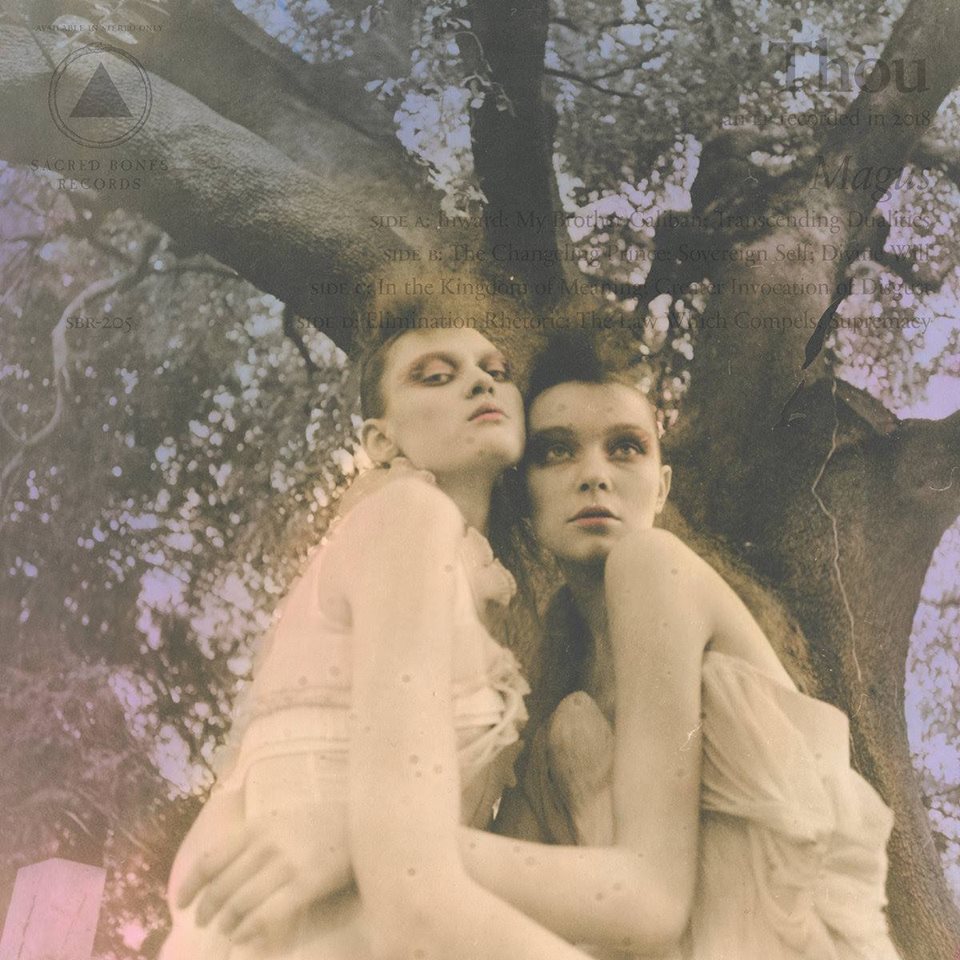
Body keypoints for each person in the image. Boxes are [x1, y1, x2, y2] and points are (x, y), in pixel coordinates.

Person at [176, 332, 902, 960]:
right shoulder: (550, 695)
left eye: (626, 448)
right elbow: (487, 898)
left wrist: (366, 831)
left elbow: (649, 899)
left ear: (661, 485)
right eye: (557, 452)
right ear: (524, 493)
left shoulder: (655, 568)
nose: (595, 474)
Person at [159, 324, 601, 960]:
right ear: (380, 440)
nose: (481, 382)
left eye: (496, 370)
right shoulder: (406, 518)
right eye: (436, 375)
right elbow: (410, 888)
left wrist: (358, 832)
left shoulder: (485, 605)